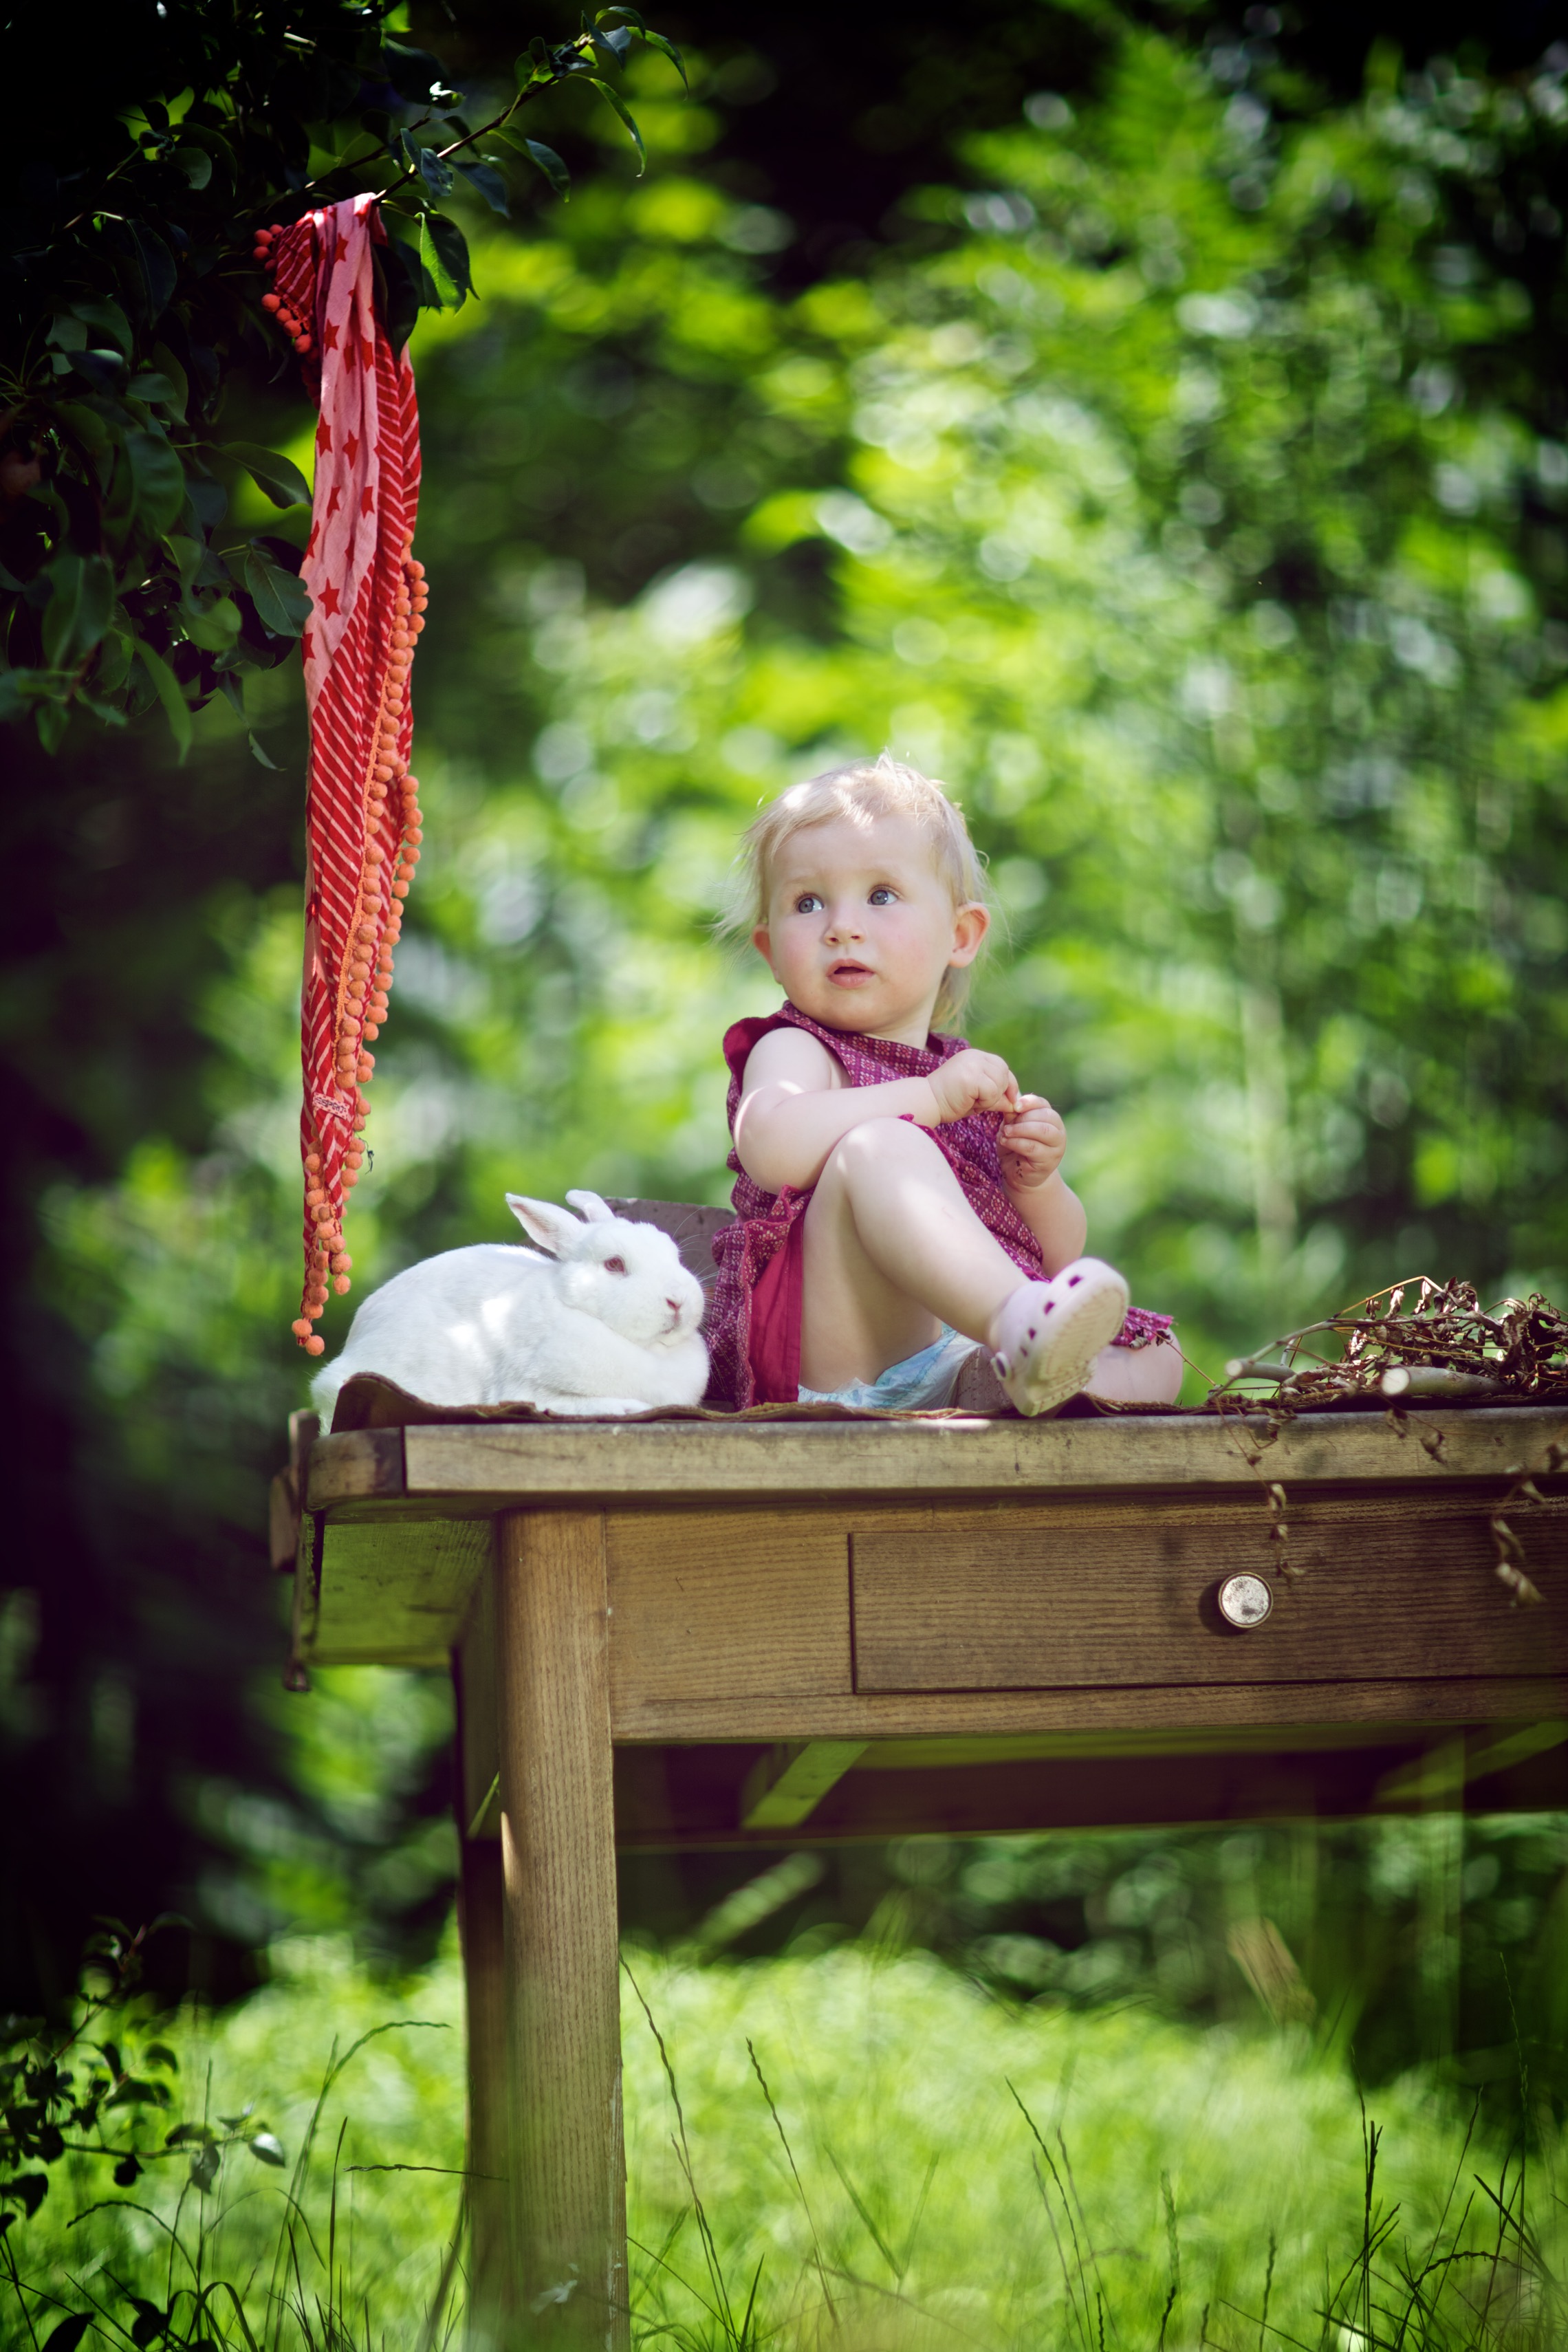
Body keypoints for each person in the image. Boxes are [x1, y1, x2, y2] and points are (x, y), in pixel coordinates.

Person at [706, 756, 1184, 1415]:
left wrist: (1035, 1183)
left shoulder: (958, 1073)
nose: (841, 926)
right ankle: (1019, 1332)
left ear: (960, 935)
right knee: (879, 1148)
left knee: (1159, 1356)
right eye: (807, 902)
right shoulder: (797, 1047)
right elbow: (770, 1144)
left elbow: (1053, 1253)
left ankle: (1035, 1373)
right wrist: (927, 1102)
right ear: (770, 951)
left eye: (880, 896)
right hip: (835, 1359)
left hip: (957, 1352)